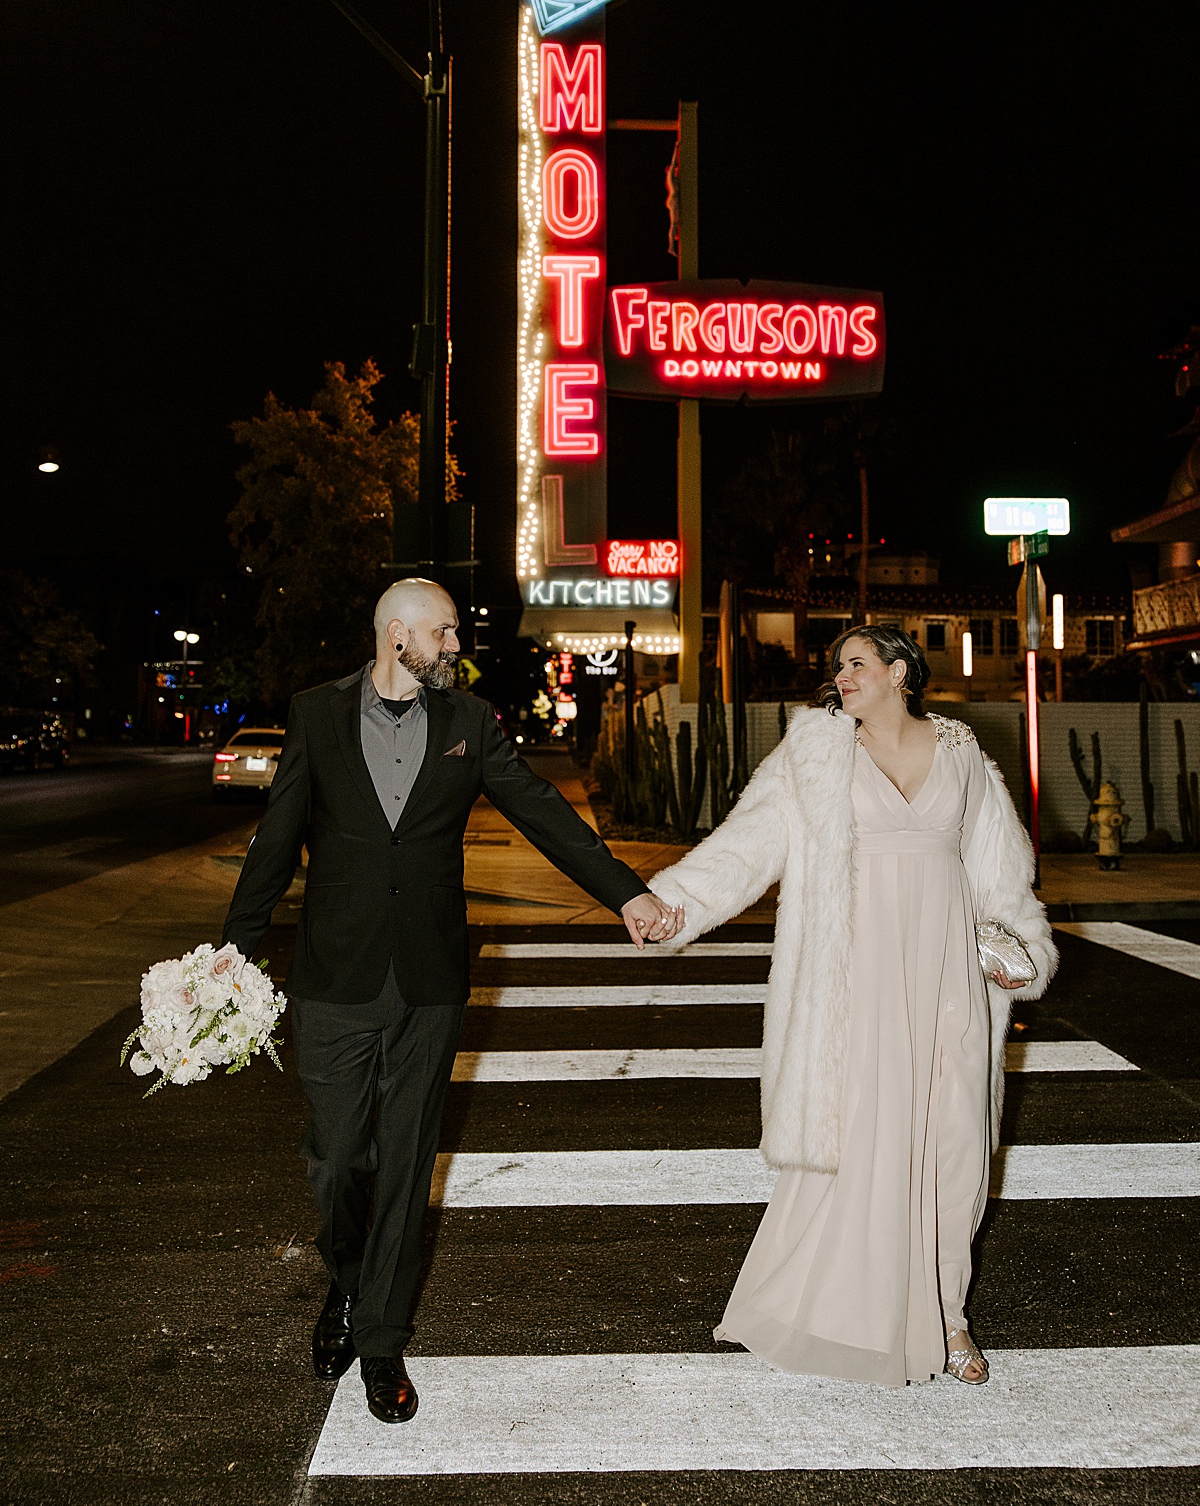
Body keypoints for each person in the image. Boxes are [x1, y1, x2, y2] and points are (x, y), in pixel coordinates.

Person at [221, 578, 679, 1423]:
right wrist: (233, 951)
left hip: (429, 980)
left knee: (405, 1158)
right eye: (444, 634)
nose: (455, 646)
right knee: (334, 1156)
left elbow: (542, 811)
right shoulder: (317, 714)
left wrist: (625, 893)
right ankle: (349, 1282)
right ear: (398, 636)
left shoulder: (469, 723)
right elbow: (278, 835)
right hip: (334, 976)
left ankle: (381, 1338)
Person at [649, 625, 1056, 1387]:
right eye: (837, 666)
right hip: (857, 975)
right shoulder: (817, 751)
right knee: (870, 1136)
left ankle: (947, 1313)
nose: (843, 676)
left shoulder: (962, 747)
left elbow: (997, 861)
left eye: (859, 663)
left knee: (956, 1137)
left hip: (948, 971)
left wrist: (1020, 947)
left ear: (902, 672)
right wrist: (672, 903)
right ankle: (879, 1310)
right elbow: (749, 843)